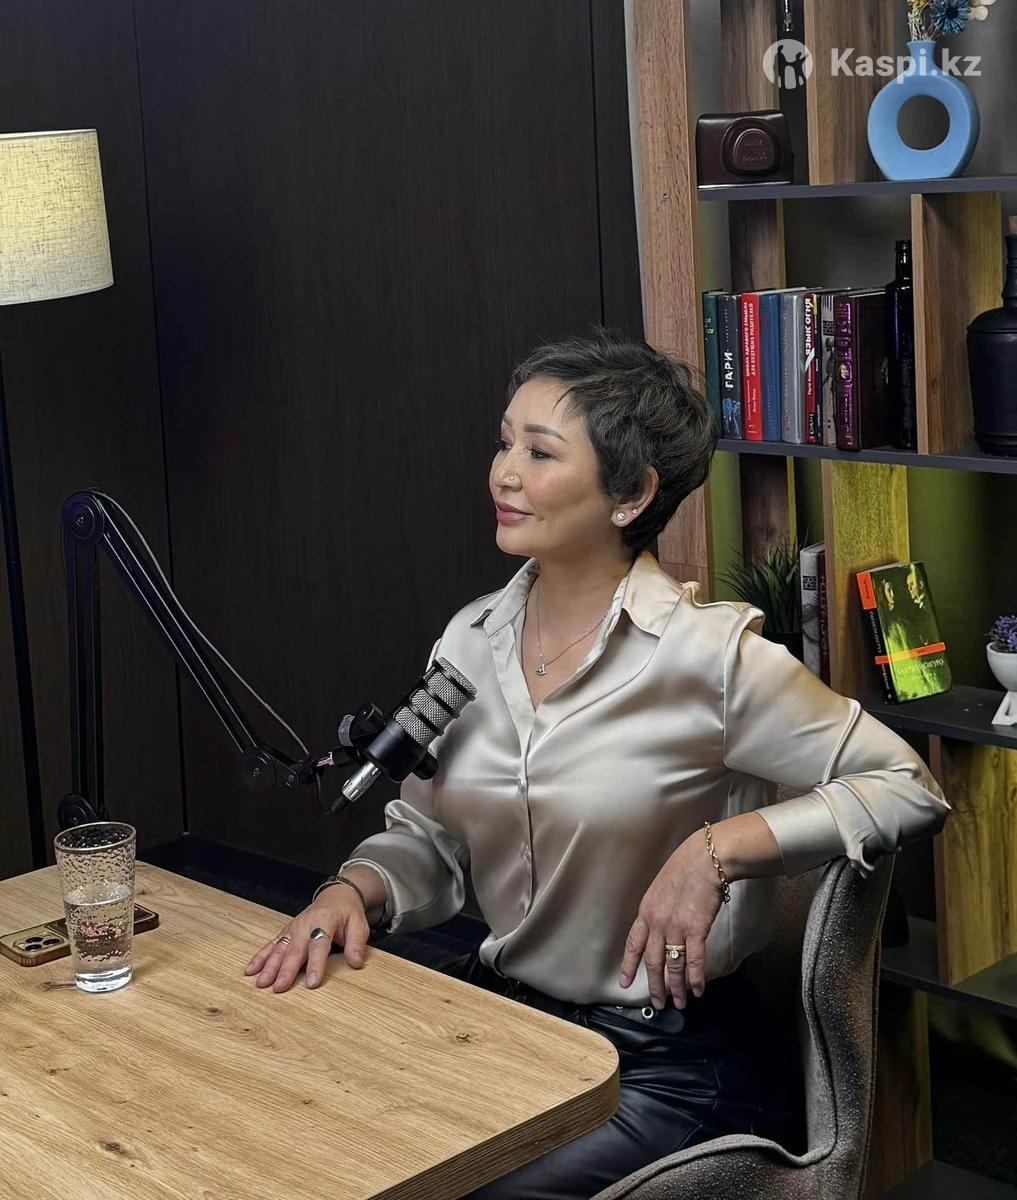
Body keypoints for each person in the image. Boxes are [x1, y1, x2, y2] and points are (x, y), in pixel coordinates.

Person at [244, 328, 950, 1199]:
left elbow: (907, 786)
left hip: (661, 1063)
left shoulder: (708, 659)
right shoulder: (470, 640)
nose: (503, 474)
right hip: (499, 1021)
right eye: (504, 442)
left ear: (632, 494)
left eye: (539, 453)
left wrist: (715, 850)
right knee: (303, 1128)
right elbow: (429, 835)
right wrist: (350, 891)